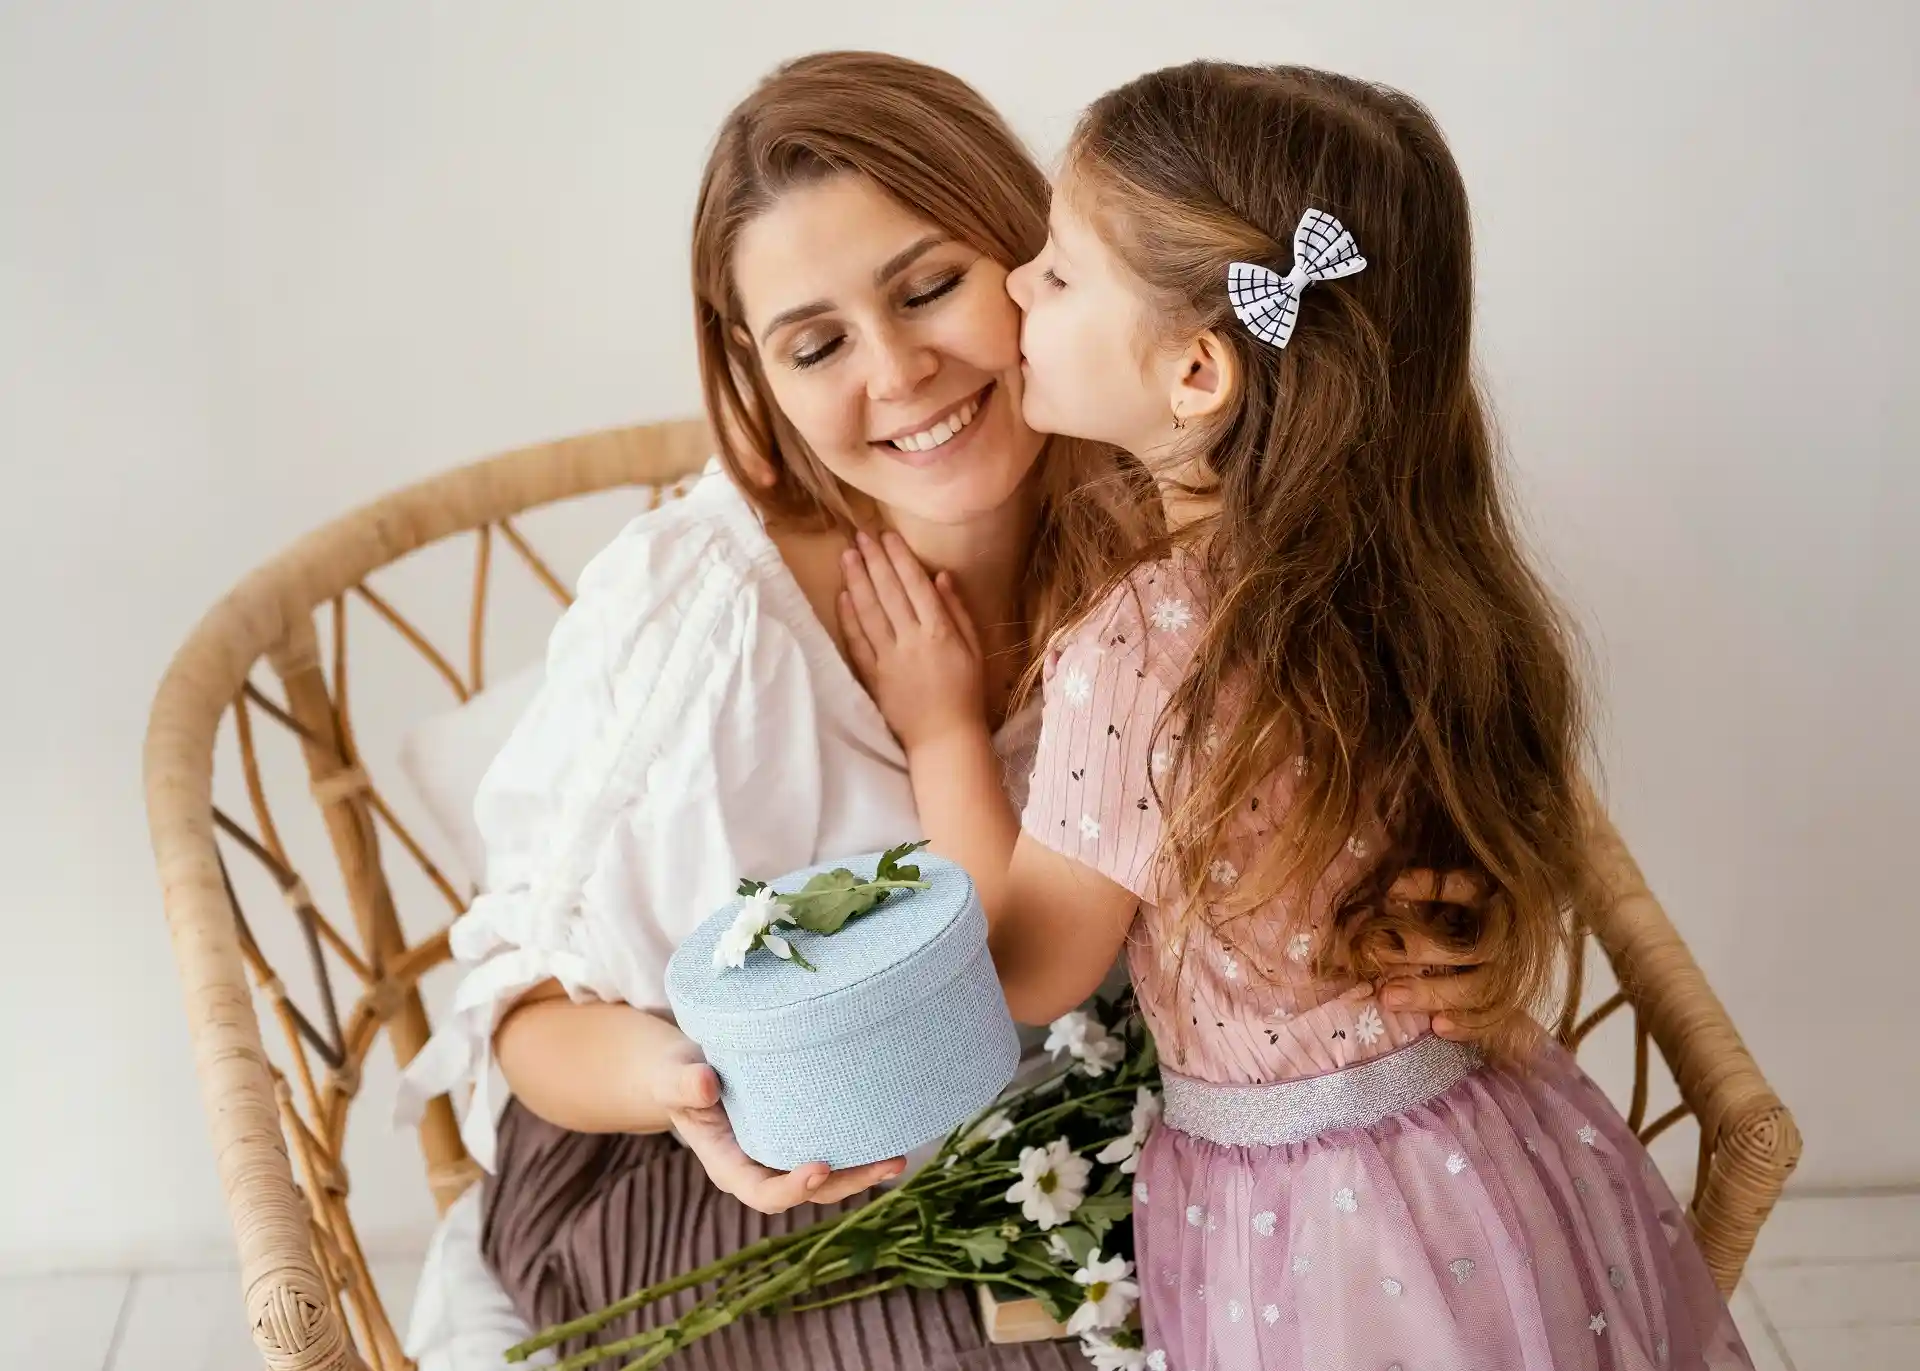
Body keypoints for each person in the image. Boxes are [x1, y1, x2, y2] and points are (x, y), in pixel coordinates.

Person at [397, 52, 1512, 1371]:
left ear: (1042, 258)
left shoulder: (1189, 529)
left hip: (1041, 1124)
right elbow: (521, 1016)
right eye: (817, 346)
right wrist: (687, 1087)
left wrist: (1463, 938)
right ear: (756, 375)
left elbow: (1334, 803)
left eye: (932, 286)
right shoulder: (703, 614)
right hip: (687, 1168)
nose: (900, 372)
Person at [841, 61, 1752, 1370]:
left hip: (1316, 1223)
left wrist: (938, 729)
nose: (1014, 288)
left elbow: (1032, 967)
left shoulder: (1144, 645)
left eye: (1057, 268)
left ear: (1200, 370)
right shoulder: (1420, 581)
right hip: (1497, 1155)